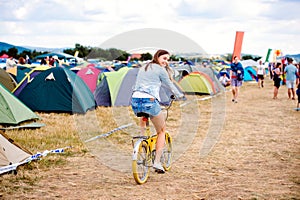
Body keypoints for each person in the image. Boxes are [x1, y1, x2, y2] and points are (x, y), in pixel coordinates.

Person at [131, 49, 185, 173]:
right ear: (157, 57)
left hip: (135, 100)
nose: (166, 61)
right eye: (164, 58)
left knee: (143, 114)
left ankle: (142, 138)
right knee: (161, 131)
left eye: (168, 59)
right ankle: (157, 163)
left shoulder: (144, 67)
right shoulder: (160, 70)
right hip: (150, 100)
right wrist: (179, 95)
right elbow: (170, 85)